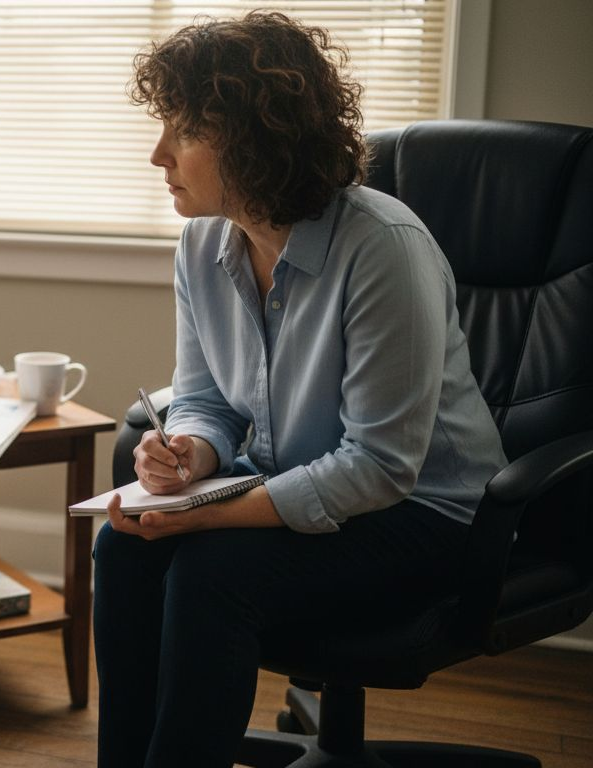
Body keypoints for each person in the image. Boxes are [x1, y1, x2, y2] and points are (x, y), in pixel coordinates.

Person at [92, 13, 508, 768]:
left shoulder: (382, 248)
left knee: (214, 575)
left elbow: (381, 468)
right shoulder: (202, 242)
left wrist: (203, 520)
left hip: (427, 514)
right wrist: (193, 451)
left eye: (182, 132)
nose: (158, 155)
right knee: (121, 552)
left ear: (255, 139)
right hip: (300, 487)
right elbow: (207, 397)